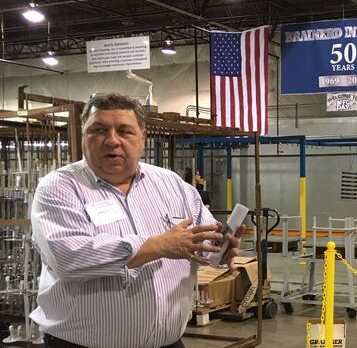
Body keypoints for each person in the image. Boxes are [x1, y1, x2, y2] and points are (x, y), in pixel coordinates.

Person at [30, 93, 242, 348]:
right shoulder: (59, 188)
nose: (112, 140)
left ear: (142, 138)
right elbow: (68, 259)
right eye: (98, 129)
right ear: (83, 135)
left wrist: (220, 250)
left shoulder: (173, 185)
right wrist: (159, 245)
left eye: (124, 131)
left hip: (168, 344)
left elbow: (200, 242)